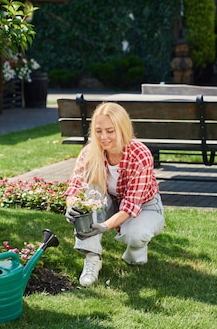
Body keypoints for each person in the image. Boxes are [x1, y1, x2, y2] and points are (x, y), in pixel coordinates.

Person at [64, 102, 165, 287]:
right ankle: (92, 258)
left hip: (145, 206)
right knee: (90, 193)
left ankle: (135, 249)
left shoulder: (140, 154)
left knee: (136, 235)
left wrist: (103, 226)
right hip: (110, 201)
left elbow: (129, 206)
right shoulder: (90, 152)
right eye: (99, 131)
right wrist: (71, 205)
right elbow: (75, 187)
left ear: (123, 129)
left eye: (110, 131)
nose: (103, 137)